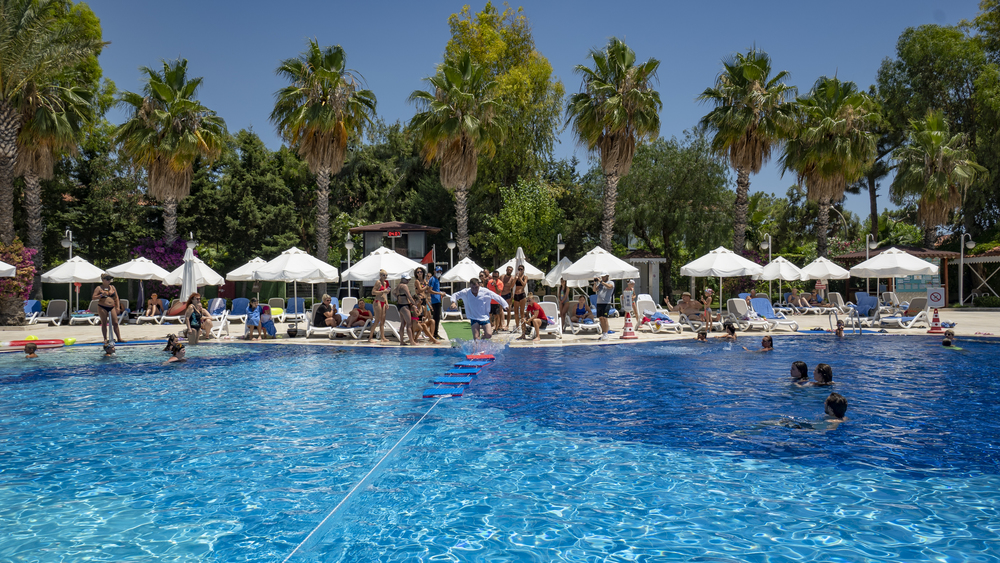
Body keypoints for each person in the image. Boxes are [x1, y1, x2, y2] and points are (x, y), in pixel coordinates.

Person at [92, 273, 124, 343]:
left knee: (115, 323)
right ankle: (105, 339)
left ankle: (119, 338)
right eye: (107, 279)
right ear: (103, 280)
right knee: (104, 323)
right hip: (102, 306)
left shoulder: (112, 287)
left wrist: (118, 307)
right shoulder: (99, 288)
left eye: (110, 279)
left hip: (112, 307)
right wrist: (101, 295)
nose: (109, 281)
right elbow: (93, 297)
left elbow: (116, 298)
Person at [394, 272, 418, 345]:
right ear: (402, 279)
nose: (408, 281)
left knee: (402, 324)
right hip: (405, 306)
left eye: (408, 280)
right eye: (406, 280)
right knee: (409, 324)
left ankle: (401, 341)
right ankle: (412, 341)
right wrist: (415, 304)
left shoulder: (398, 286)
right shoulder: (404, 286)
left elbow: (393, 292)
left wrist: (398, 298)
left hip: (400, 306)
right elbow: (409, 296)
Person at [370, 270, 391, 344]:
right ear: (380, 275)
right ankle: (370, 337)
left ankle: (382, 337)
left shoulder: (384, 283)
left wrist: (386, 302)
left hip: (383, 302)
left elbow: (384, 294)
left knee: (383, 320)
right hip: (377, 301)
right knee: (377, 320)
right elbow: (373, 292)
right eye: (384, 275)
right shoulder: (378, 282)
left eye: (386, 275)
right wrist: (382, 291)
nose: (385, 276)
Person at [592, 272, 614, 341]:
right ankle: (603, 333)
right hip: (599, 302)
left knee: (605, 318)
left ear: (607, 276)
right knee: (601, 318)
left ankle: (606, 333)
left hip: (606, 302)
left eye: (604, 276)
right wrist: (595, 283)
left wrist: (601, 282)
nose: (602, 278)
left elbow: (609, 286)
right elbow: (594, 290)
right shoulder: (601, 284)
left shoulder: (610, 282)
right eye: (602, 277)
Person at [429, 266, 445, 338]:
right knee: (435, 318)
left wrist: (441, 293)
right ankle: (434, 333)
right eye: (438, 271)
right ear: (434, 271)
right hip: (434, 301)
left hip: (438, 300)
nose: (439, 273)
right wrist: (439, 293)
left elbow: (436, 290)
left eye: (440, 272)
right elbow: (430, 290)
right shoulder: (432, 279)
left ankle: (435, 332)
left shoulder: (437, 280)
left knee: (437, 318)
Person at [511, 266, 528, 333]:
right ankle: (517, 326)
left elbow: (524, 284)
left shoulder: (525, 277)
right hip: (516, 295)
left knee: (522, 312)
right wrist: (515, 279)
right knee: (516, 312)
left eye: (521, 269)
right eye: (519, 269)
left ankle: (522, 327)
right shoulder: (516, 277)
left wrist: (520, 278)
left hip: (522, 295)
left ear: (523, 270)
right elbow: (512, 286)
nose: (520, 270)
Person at [500, 265, 514, 330]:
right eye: (508, 270)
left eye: (511, 270)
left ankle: (507, 325)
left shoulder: (512, 278)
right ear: (506, 270)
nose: (509, 271)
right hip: (501, 294)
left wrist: (512, 297)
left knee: (508, 310)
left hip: (508, 294)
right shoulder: (502, 277)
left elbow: (512, 288)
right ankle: (501, 323)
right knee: (500, 310)